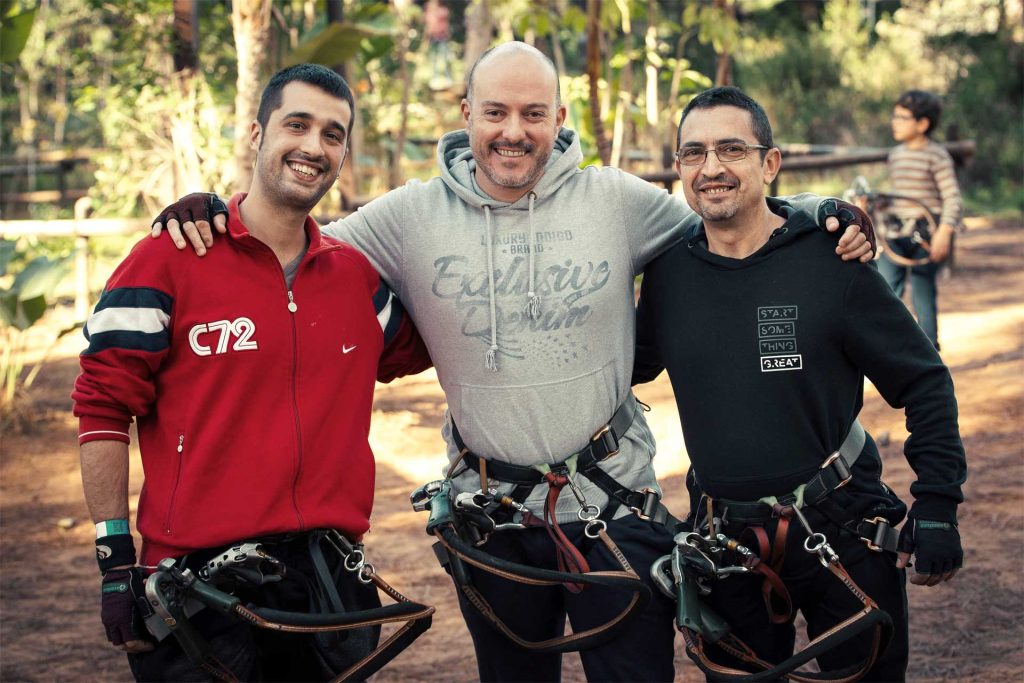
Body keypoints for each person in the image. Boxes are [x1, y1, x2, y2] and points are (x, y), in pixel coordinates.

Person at [150, 42, 874, 682]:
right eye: (495, 111)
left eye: (534, 114)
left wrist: (820, 208)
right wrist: (215, 207)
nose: (513, 131)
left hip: (612, 502)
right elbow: (296, 243)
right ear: (466, 113)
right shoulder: (408, 216)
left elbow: (734, 217)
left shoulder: (617, 200)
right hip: (489, 514)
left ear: (560, 117)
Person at [73, 64, 431, 682]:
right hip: (197, 593)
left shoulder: (357, 280)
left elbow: (441, 348)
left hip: (330, 588)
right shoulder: (168, 259)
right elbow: (103, 407)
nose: (314, 147)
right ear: (258, 132)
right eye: (297, 125)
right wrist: (115, 564)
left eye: (333, 134)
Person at [633, 86, 966, 681]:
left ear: (770, 164)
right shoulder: (666, 275)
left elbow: (925, 380)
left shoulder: (834, 262)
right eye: (693, 153)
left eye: (731, 149)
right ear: (679, 167)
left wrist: (938, 504)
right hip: (723, 540)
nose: (711, 167)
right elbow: (619, 372)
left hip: (844, 528)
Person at [881, 89, 964, 349]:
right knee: (885, 291)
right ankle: (888, 351)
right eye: (894, 116)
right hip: (895, 233)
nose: (895, 122)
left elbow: (952, 197)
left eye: (902, 117)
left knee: (922, 295)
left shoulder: (936, 155)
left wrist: (945, 231)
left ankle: (929, 356)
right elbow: (897, 197)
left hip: (924, 234)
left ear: (922, 124)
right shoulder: (895, 155)